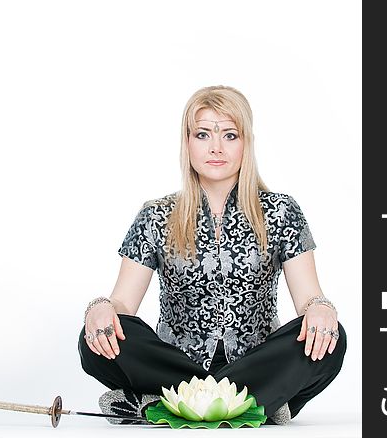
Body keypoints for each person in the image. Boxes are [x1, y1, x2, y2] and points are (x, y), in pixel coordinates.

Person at [78, 85, 346, 425]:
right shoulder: (155, 216)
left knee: (331, 338)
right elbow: (122, 306)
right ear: (187, 142)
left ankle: (166, 404)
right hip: (176, 366)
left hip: (256, 362)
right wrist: (101, 308)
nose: (216, 147)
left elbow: (309, 299)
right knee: (95, 340)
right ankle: (255, 403)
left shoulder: (281, 211)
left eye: (230, 135)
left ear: (246, 142)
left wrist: (321, 309)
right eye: (203, 134)